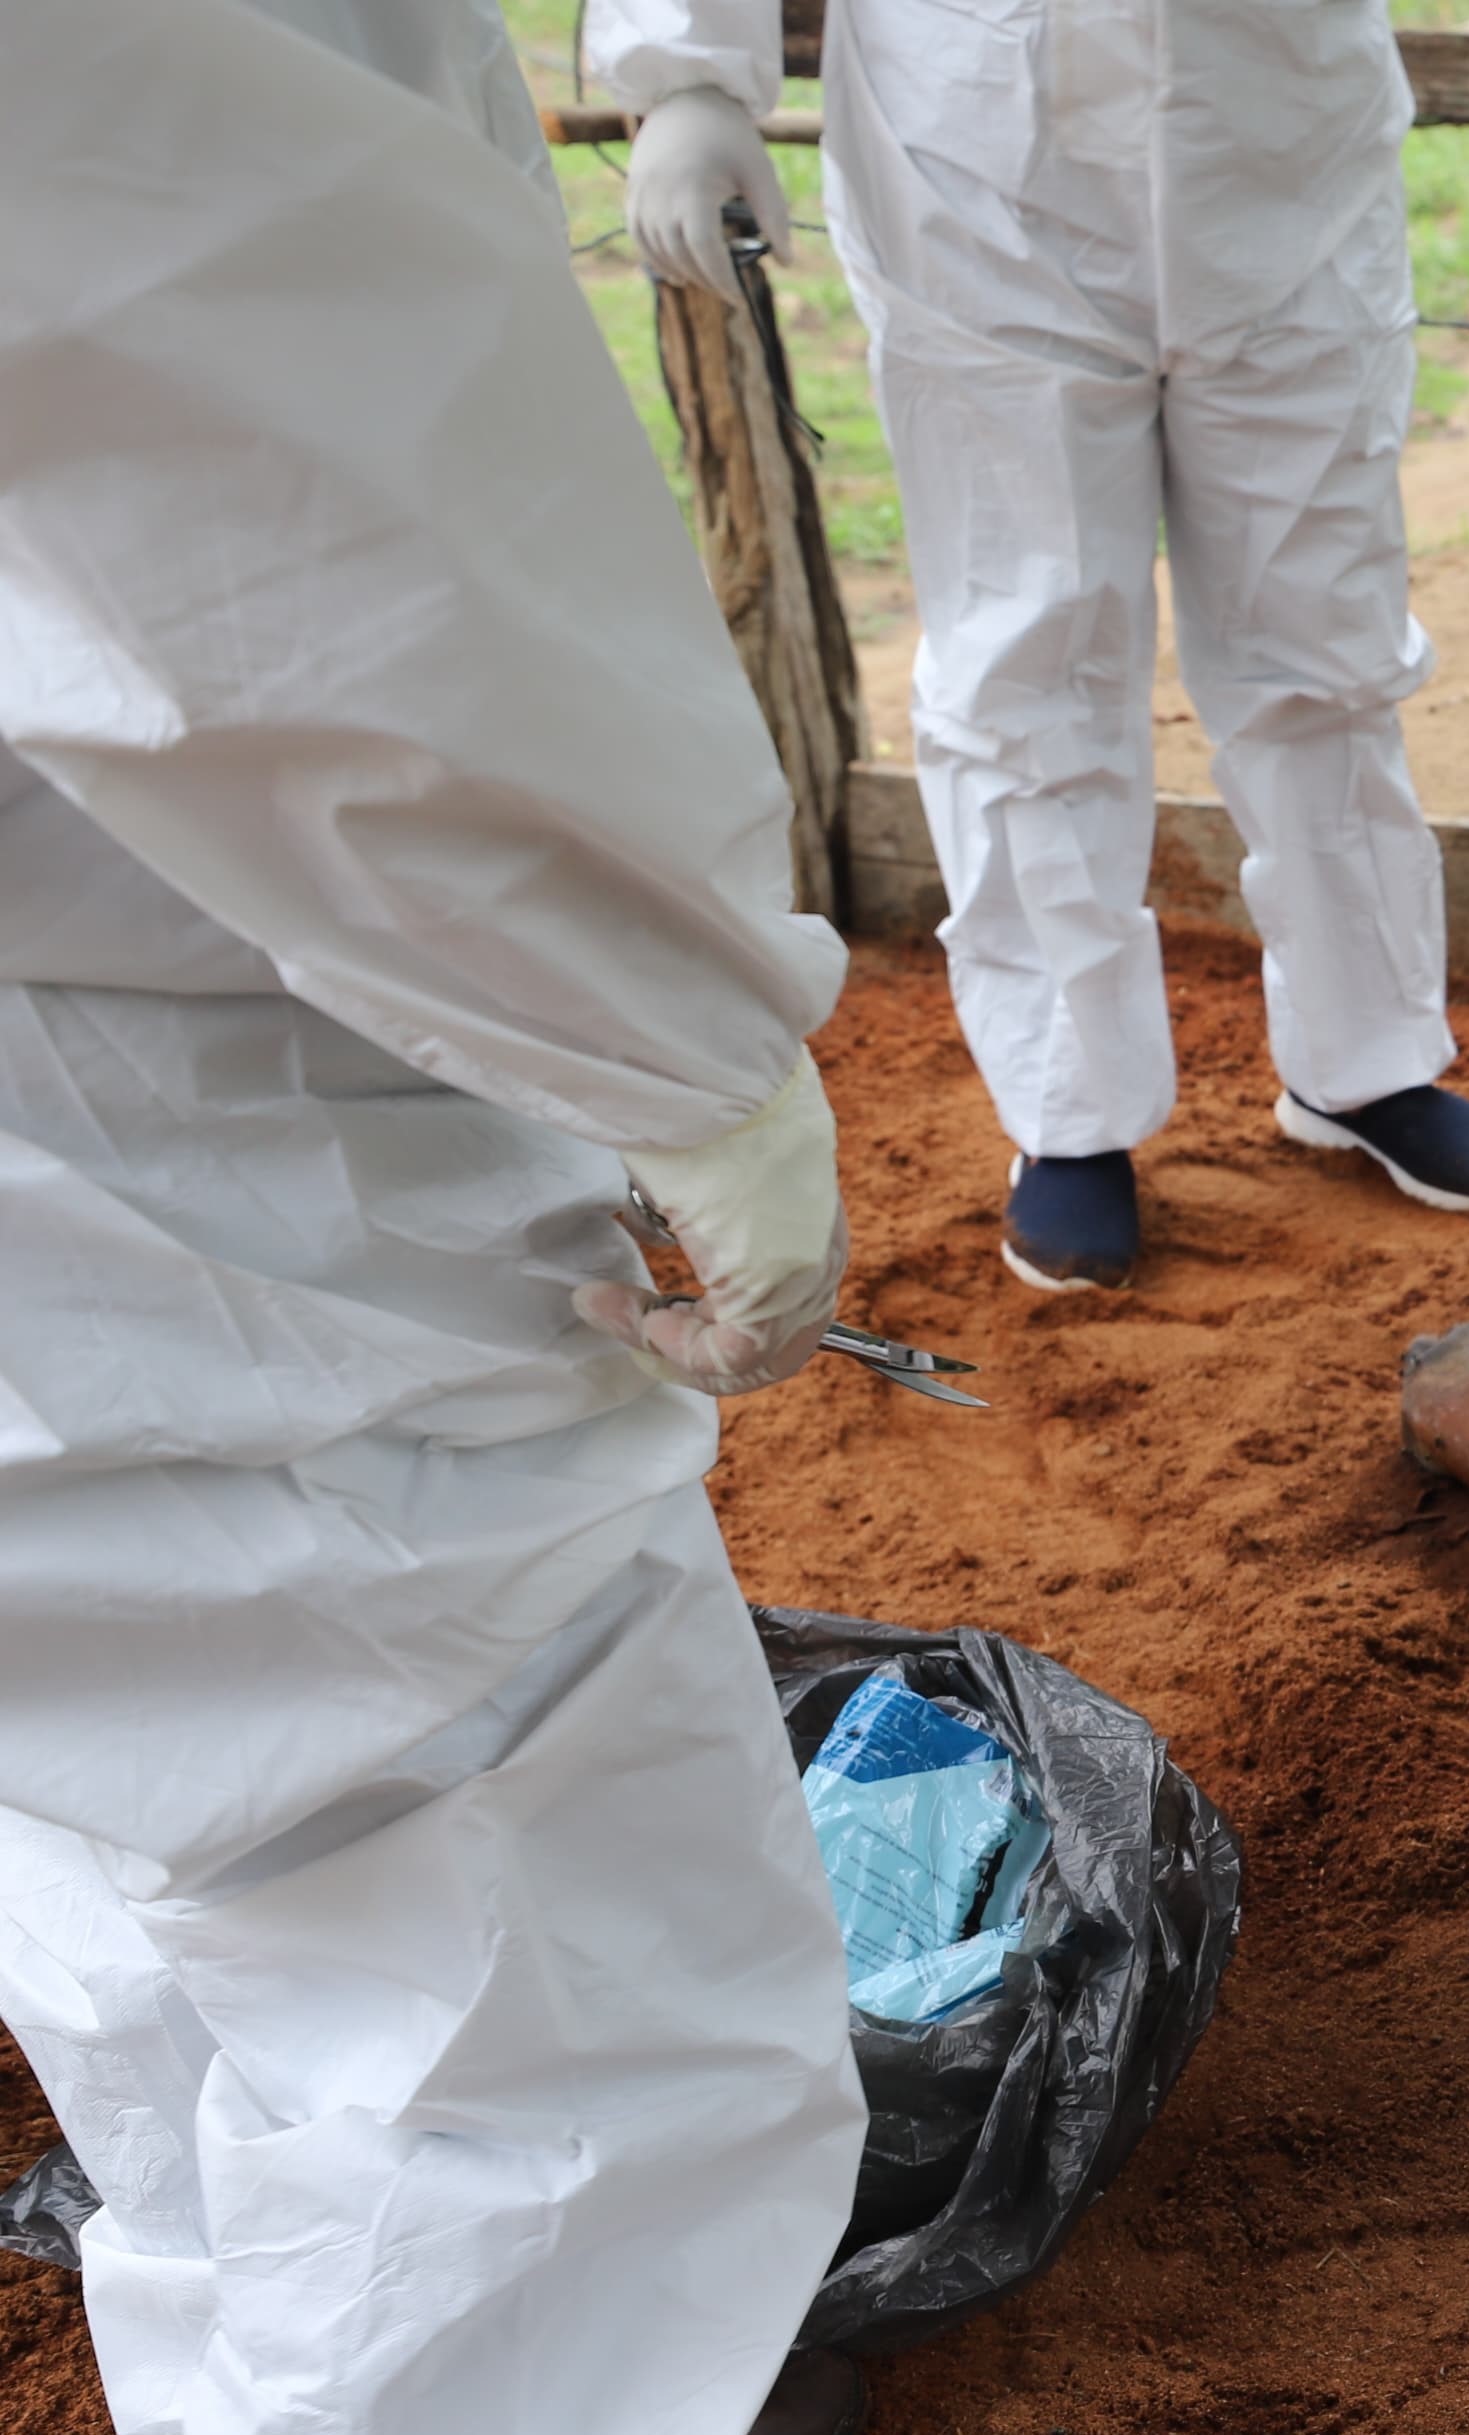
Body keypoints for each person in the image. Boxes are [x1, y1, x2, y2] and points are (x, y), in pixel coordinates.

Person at [1, 3, 871, 2427]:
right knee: (526, 1978)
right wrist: (664, 1029)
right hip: (167, 1124)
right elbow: (226, 405)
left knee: (164, 1858)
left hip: (97, 1057)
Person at [588, 0, 1469, 1292]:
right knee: (1027, 647)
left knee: (1323, 632)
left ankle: (1366, 1059)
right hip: (977, 154)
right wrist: (690, 71)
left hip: (1279, 132)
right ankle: (1066, 1113)